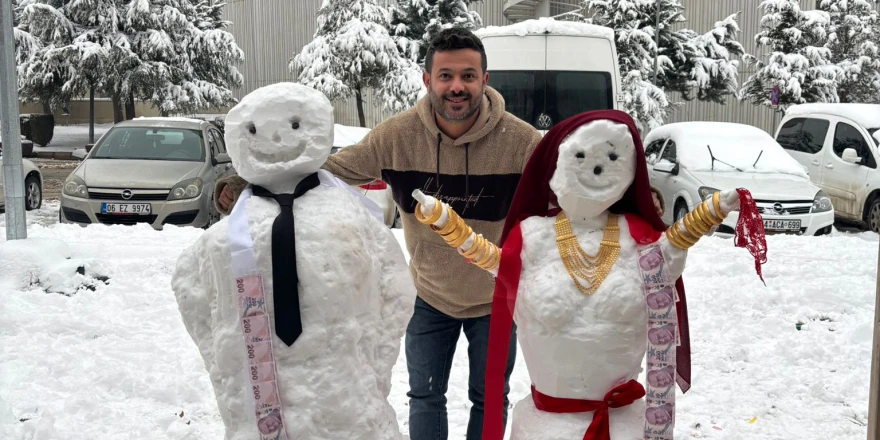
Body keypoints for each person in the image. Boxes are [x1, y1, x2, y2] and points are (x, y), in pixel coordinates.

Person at [214, 27, 541, 440]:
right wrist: (256, 182)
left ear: (484, 80)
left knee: (491, 397)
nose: (456, 86)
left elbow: (563, 193)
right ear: (427, 80)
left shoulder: (522, 142)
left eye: (468, 75)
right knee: (425, 396)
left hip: (497, 298)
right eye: (445, 76)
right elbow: (330, 169)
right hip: (429, 295)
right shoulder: (398, 136)